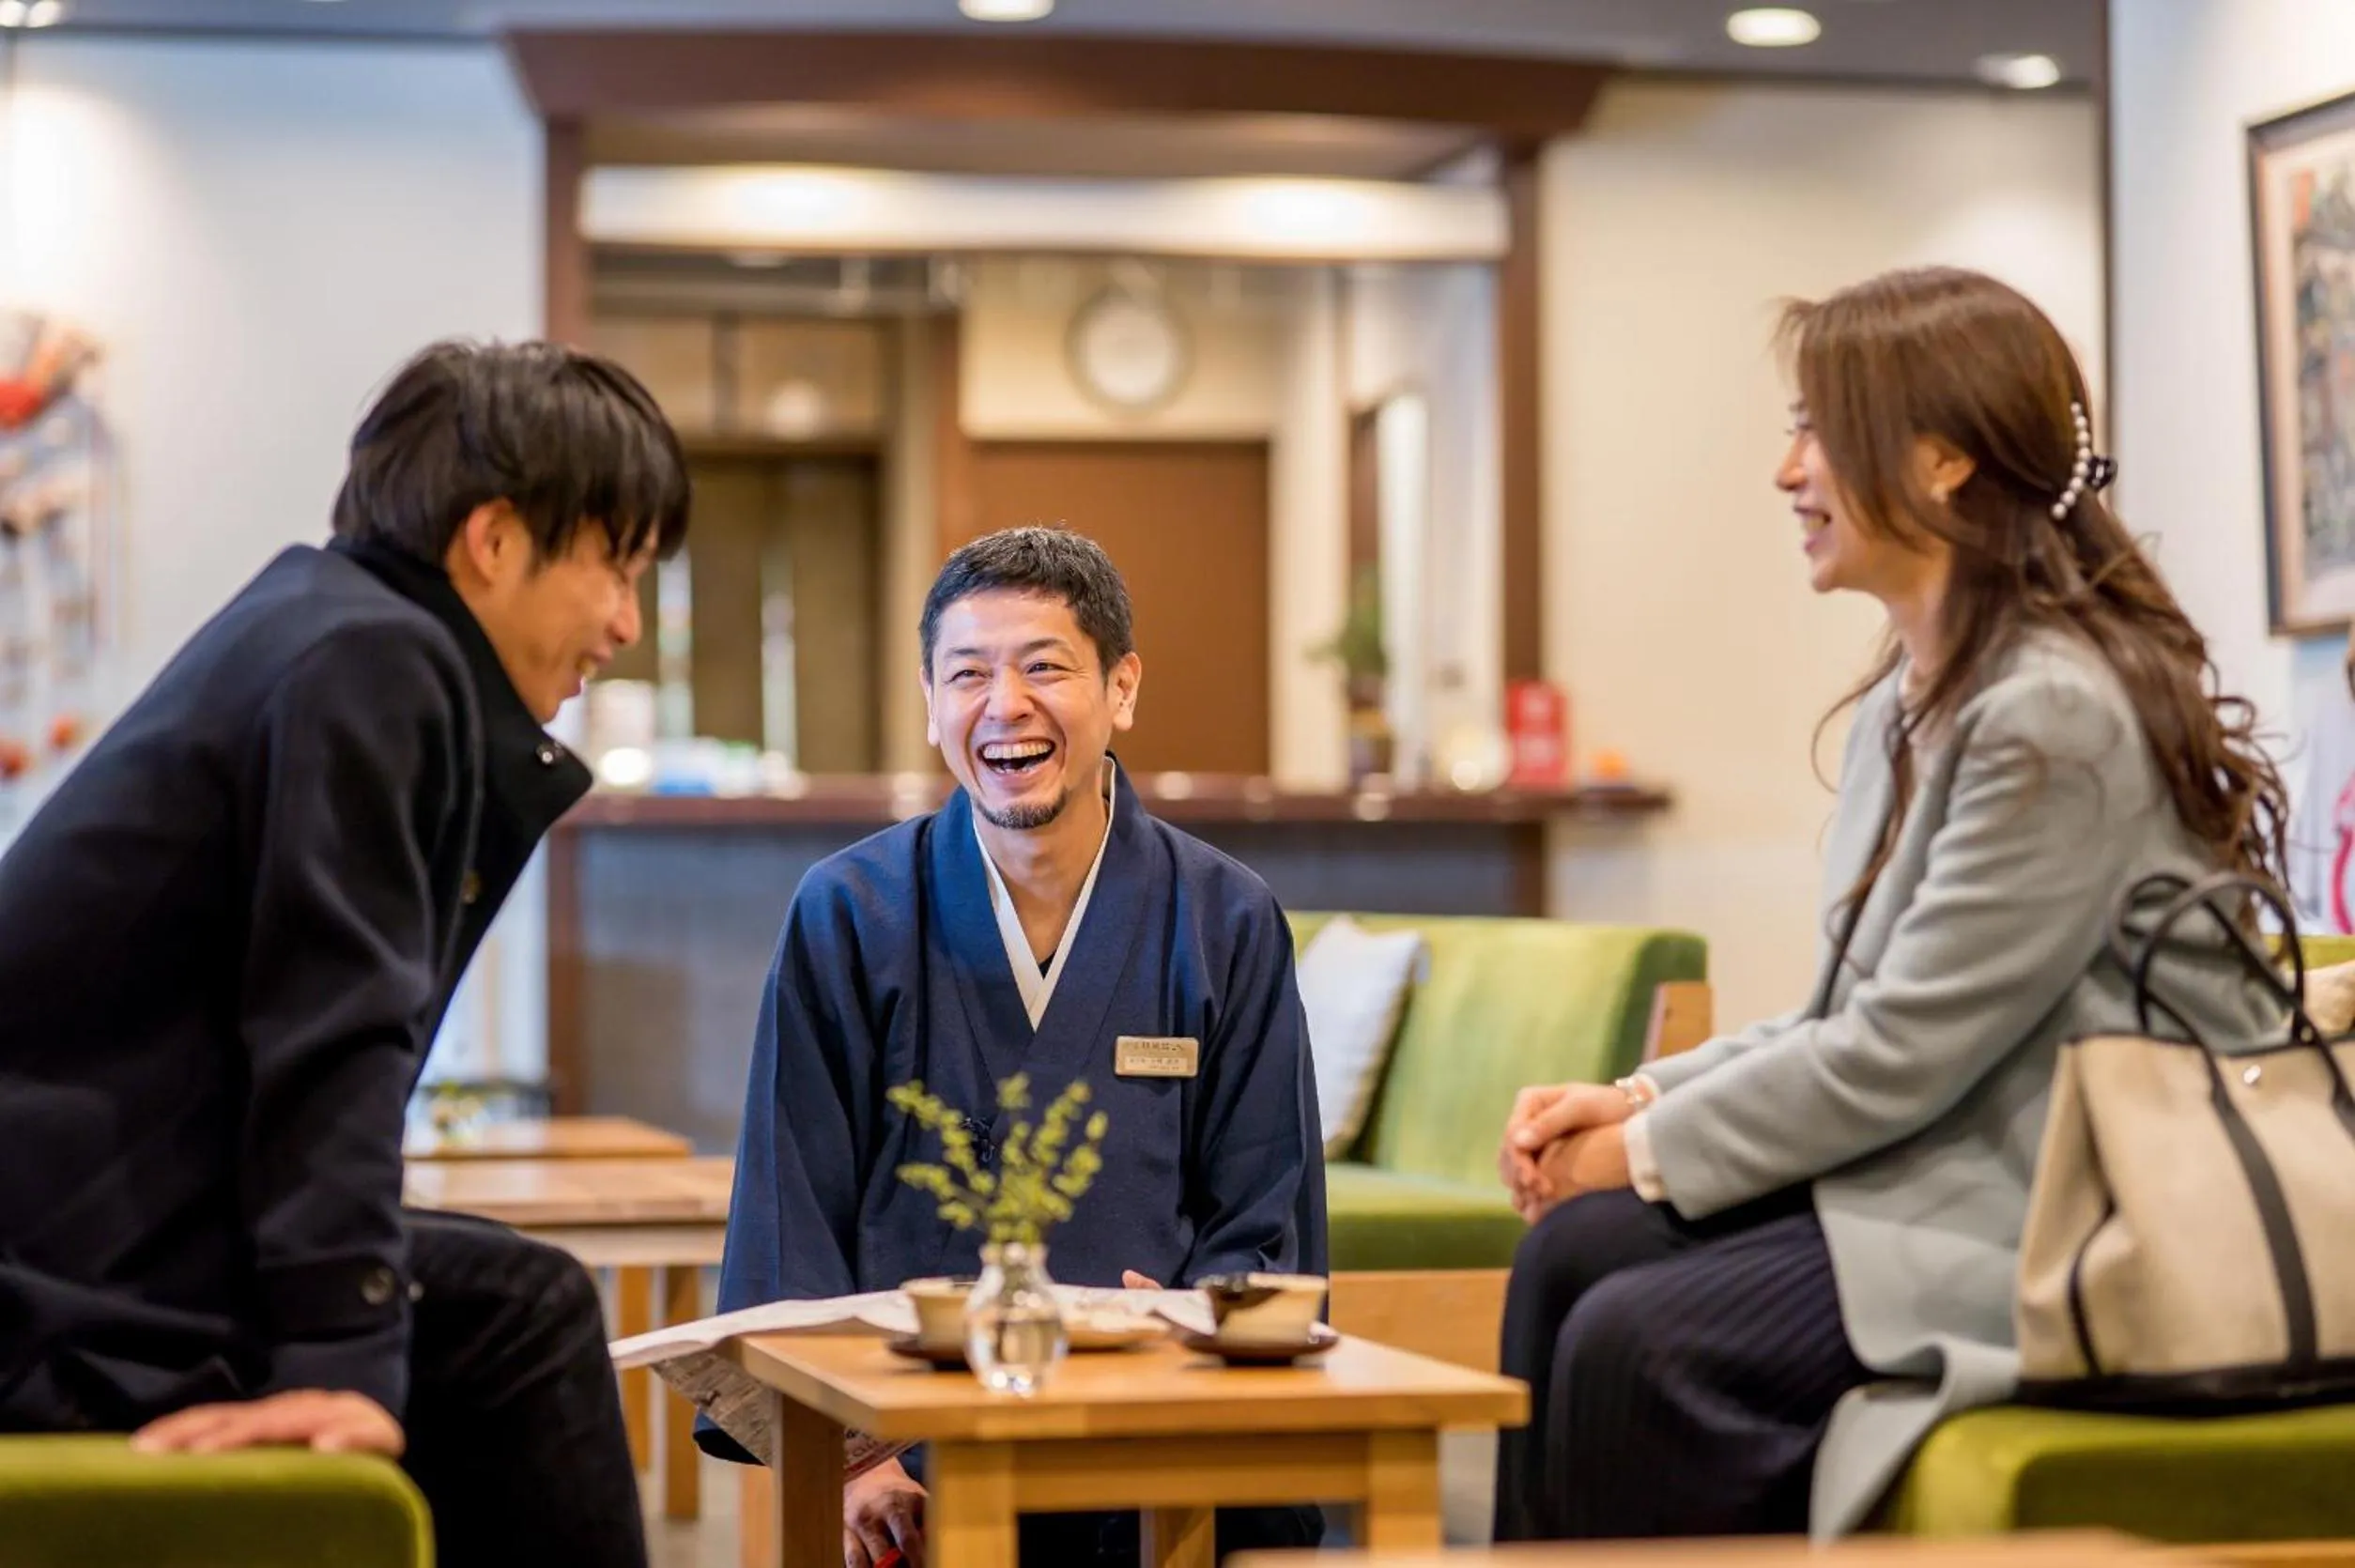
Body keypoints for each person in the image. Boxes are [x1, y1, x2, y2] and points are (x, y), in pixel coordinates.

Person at [1491, 266, 2288, 1543]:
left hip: (2062, 1211)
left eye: (1814, 426)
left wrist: (1632, 1153)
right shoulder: (1907, 703)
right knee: (1567, 1257)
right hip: (1953, 1167)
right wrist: (1643, 1098)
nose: (1786, 470)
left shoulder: (2053, 714)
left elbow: (1892, 1055)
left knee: (1639, 1337)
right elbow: (1839, 1014)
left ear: (1941, 460)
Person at [0, 340, 690, 1568]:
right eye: (616, 567)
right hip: (55, 1283)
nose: (627, 625)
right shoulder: (374, 661)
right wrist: (338, 1361)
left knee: (504, 1293)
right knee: (523, 1314)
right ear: (494, 540)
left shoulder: (324, 625)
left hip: (77, 1238)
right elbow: (330, 1031)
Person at [710, 526, 1327, 1568]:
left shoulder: (1224, 916)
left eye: (1045, 667)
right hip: (912, 1448)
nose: (1005, 706)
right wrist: (858, 1458)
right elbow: (790, 1203)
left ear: (1121, 686)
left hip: (1154, 1424)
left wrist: (1200, 1355)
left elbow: (1266, 1210)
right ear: (929, 698)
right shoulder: (849, 912)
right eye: (968, 674)